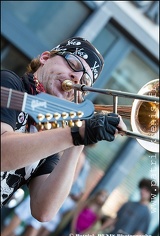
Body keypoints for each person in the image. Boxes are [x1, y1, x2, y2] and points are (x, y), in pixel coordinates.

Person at [1, 36, 127, 222]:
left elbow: (44, 210)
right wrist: (75, 133)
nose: (76, 77)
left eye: (84, 81)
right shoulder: (10, 83)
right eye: (73, 64)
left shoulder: (50, 133)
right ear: (45, 58)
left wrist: (79, 142)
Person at [0, 149, 90, 236]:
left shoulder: (76, 153)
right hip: (53, 191)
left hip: (48, 187)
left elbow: (71, 179)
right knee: (34, 225)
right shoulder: (81, 156)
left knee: (20, 215)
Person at [94, 178, 159, 236]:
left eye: (147, 190)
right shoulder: (128, 204)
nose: (143, 191)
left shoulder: (146, 214)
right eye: (143, 188)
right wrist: (97, 230)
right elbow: (115, 219)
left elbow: (139, 234)